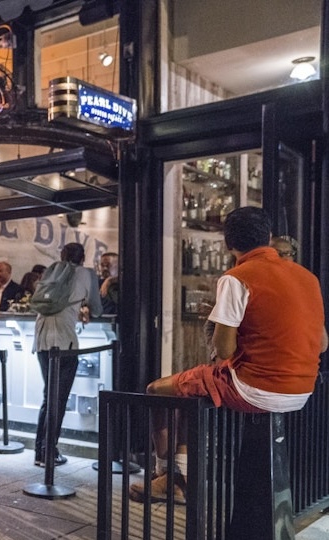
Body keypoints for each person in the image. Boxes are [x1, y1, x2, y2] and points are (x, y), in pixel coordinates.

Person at [131, 208, 327, 504]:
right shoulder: (308, 278)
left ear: (227, 244)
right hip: (302, 390)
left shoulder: (237, 277)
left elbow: (224, 350)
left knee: (156, 390)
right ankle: (178, 478)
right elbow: (323, 344)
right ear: (270, 238)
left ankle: (167, 476)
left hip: (257, 388)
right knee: (190, 386)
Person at [33, 243, 103, 467]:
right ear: (83, 258)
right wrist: (85, 308)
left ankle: (39, 452)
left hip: (42, 338)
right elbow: (97, 308)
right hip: (65, 341)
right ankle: (49, 453)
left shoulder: (51, 269)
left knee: (48, 396)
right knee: (59, 398)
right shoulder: (87, 274)